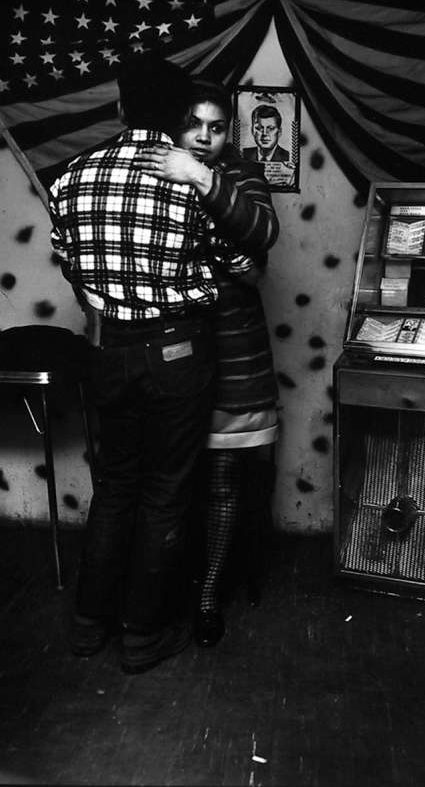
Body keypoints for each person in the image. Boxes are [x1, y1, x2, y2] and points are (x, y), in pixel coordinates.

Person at [48, 52, 278, 675]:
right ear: (176, 116)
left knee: (113, 489)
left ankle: (88, 626)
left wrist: (102, 292)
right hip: (177, 349)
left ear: (120, 107)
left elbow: (67, 259)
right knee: (165, 494)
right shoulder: (185, 179)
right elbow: (240, 258)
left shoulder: (69, 176)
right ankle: (142, 636)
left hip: (108, 349)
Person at [139, 80, 280, 648]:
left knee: (223, 483)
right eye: (194, 124)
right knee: (170, 479)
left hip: (232, 352)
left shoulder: (240, 175)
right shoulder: (149, 165)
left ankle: (207, 597)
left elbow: (264, 233)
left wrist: (201, 177)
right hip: (167, 348)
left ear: (231, 132)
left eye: (217, 127)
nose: (204, 136)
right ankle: (163, 592)